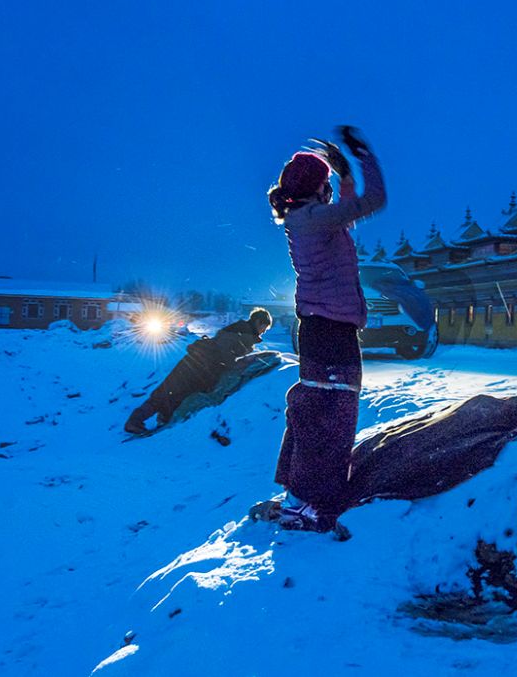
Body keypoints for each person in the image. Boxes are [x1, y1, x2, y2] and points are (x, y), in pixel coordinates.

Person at [267, 126, 386, 532]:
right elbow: (375, 201)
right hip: (331, 332)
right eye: (327, 185)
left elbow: (349, 212)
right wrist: (363, 156)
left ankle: (296, 496)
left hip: (324, 330)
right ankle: (307, 504)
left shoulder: (309, 219)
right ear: (318, 189)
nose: (331, 191)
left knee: (315, 413)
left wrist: (344, 176)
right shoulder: (315, 220)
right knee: (332, 419)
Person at [123, 308, 273, 435]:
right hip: (198, 367)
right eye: (264, 328)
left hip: (199, 366)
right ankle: (134, 422)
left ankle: (160, 419)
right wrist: (239, 363)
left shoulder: (240, 331)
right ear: (258, 322)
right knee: (167, 391)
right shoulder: (242, 333)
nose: (263, 332)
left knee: (175, 393)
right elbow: (225, 354)